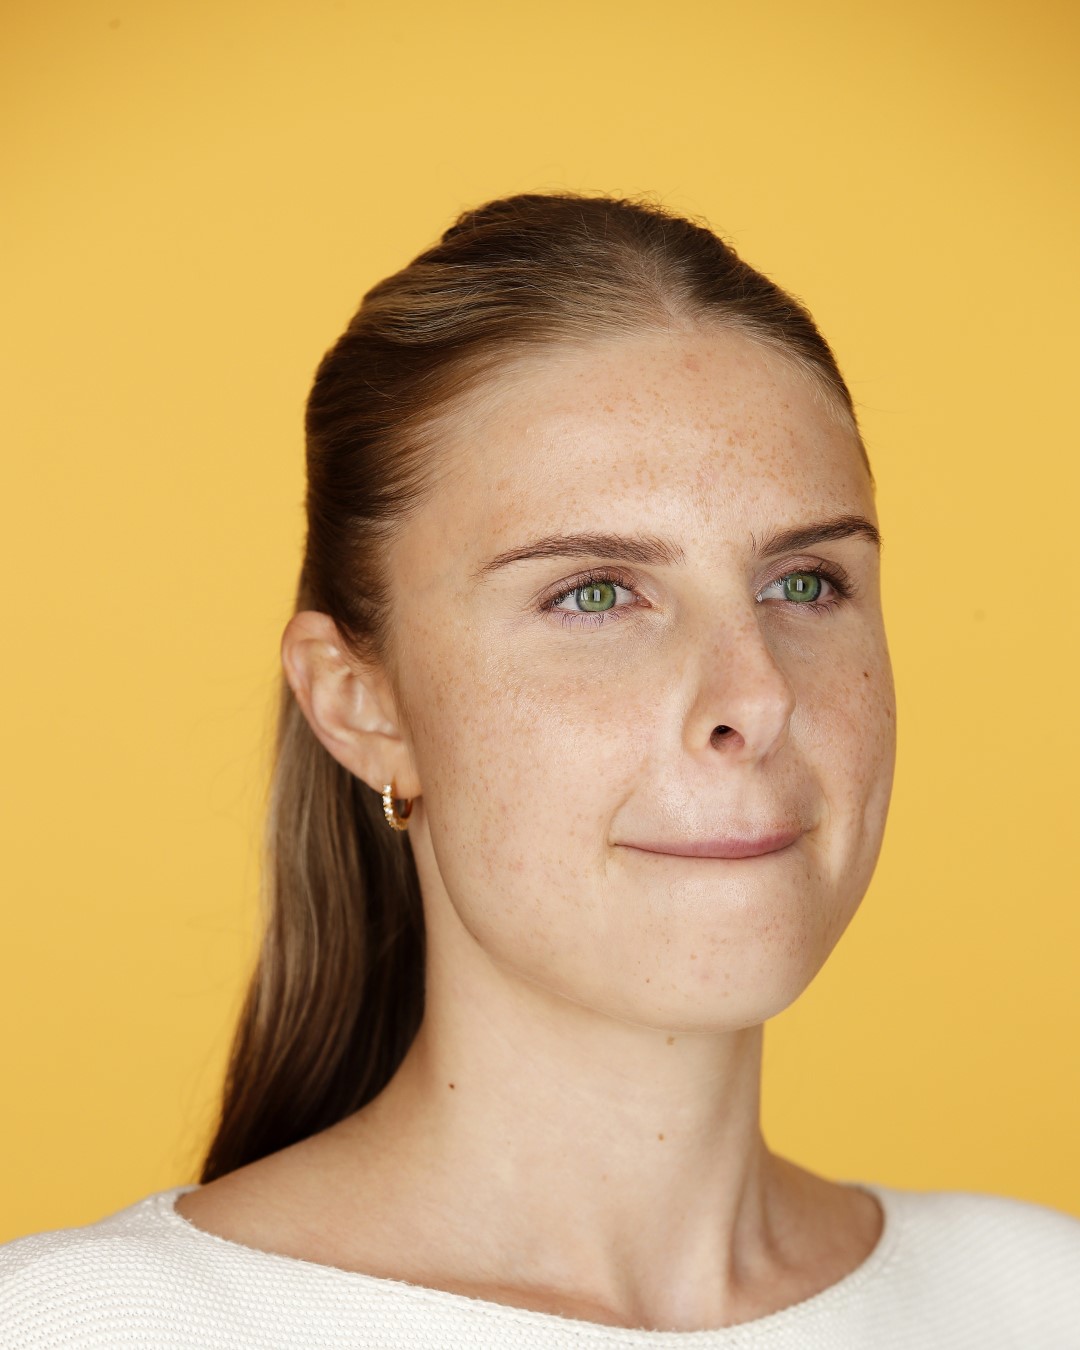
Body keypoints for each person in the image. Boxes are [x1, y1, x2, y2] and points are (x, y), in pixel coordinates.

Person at [2, 192, 1078, 1349]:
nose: (758, 696)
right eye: (596, 594)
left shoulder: (1040, 1298)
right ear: (361, 705)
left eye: (805, 581)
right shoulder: (90, 1328)